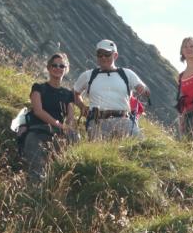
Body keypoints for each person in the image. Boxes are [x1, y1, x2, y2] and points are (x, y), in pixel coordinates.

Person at [74, 39, 150, 140]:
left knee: (141, 144)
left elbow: (146, 91)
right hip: (97, 121)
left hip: (123, 120)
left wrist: (143, 89)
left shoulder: (127, 74)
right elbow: (75, 92)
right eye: (100, 54)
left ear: (115, 55)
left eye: (107, 54)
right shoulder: (88, 75)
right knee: (99, 150)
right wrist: (82, 106)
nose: (103, 57)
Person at [21, 53, 75, 182]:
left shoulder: (68, 94)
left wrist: (67, 128)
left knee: (58, 171)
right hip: (37, 132)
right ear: (49, 68)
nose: (58, 68)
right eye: (54, 65)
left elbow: (71, 117)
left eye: (61, 66)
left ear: (66, 69)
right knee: (36, 171)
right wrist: (59, 125)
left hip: (58, 135)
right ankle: (33, 192)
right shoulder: (38, 88)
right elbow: (38, 111)